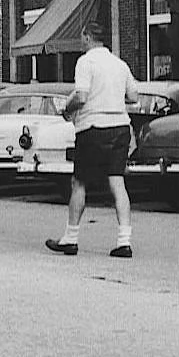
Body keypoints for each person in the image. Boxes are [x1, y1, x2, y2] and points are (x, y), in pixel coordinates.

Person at [45, 22, 139, 259]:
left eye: (81, 37)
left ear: (87, 37)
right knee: (117, 182)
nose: (80, 41)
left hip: (93, 127)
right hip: (120, 127)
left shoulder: (85, 62)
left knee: (79, 182)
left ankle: (71, 238)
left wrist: (66, 109)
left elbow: (82, 96)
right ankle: (124, 241)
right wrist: (111, 98)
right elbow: (133, 96)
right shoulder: (120, 64)